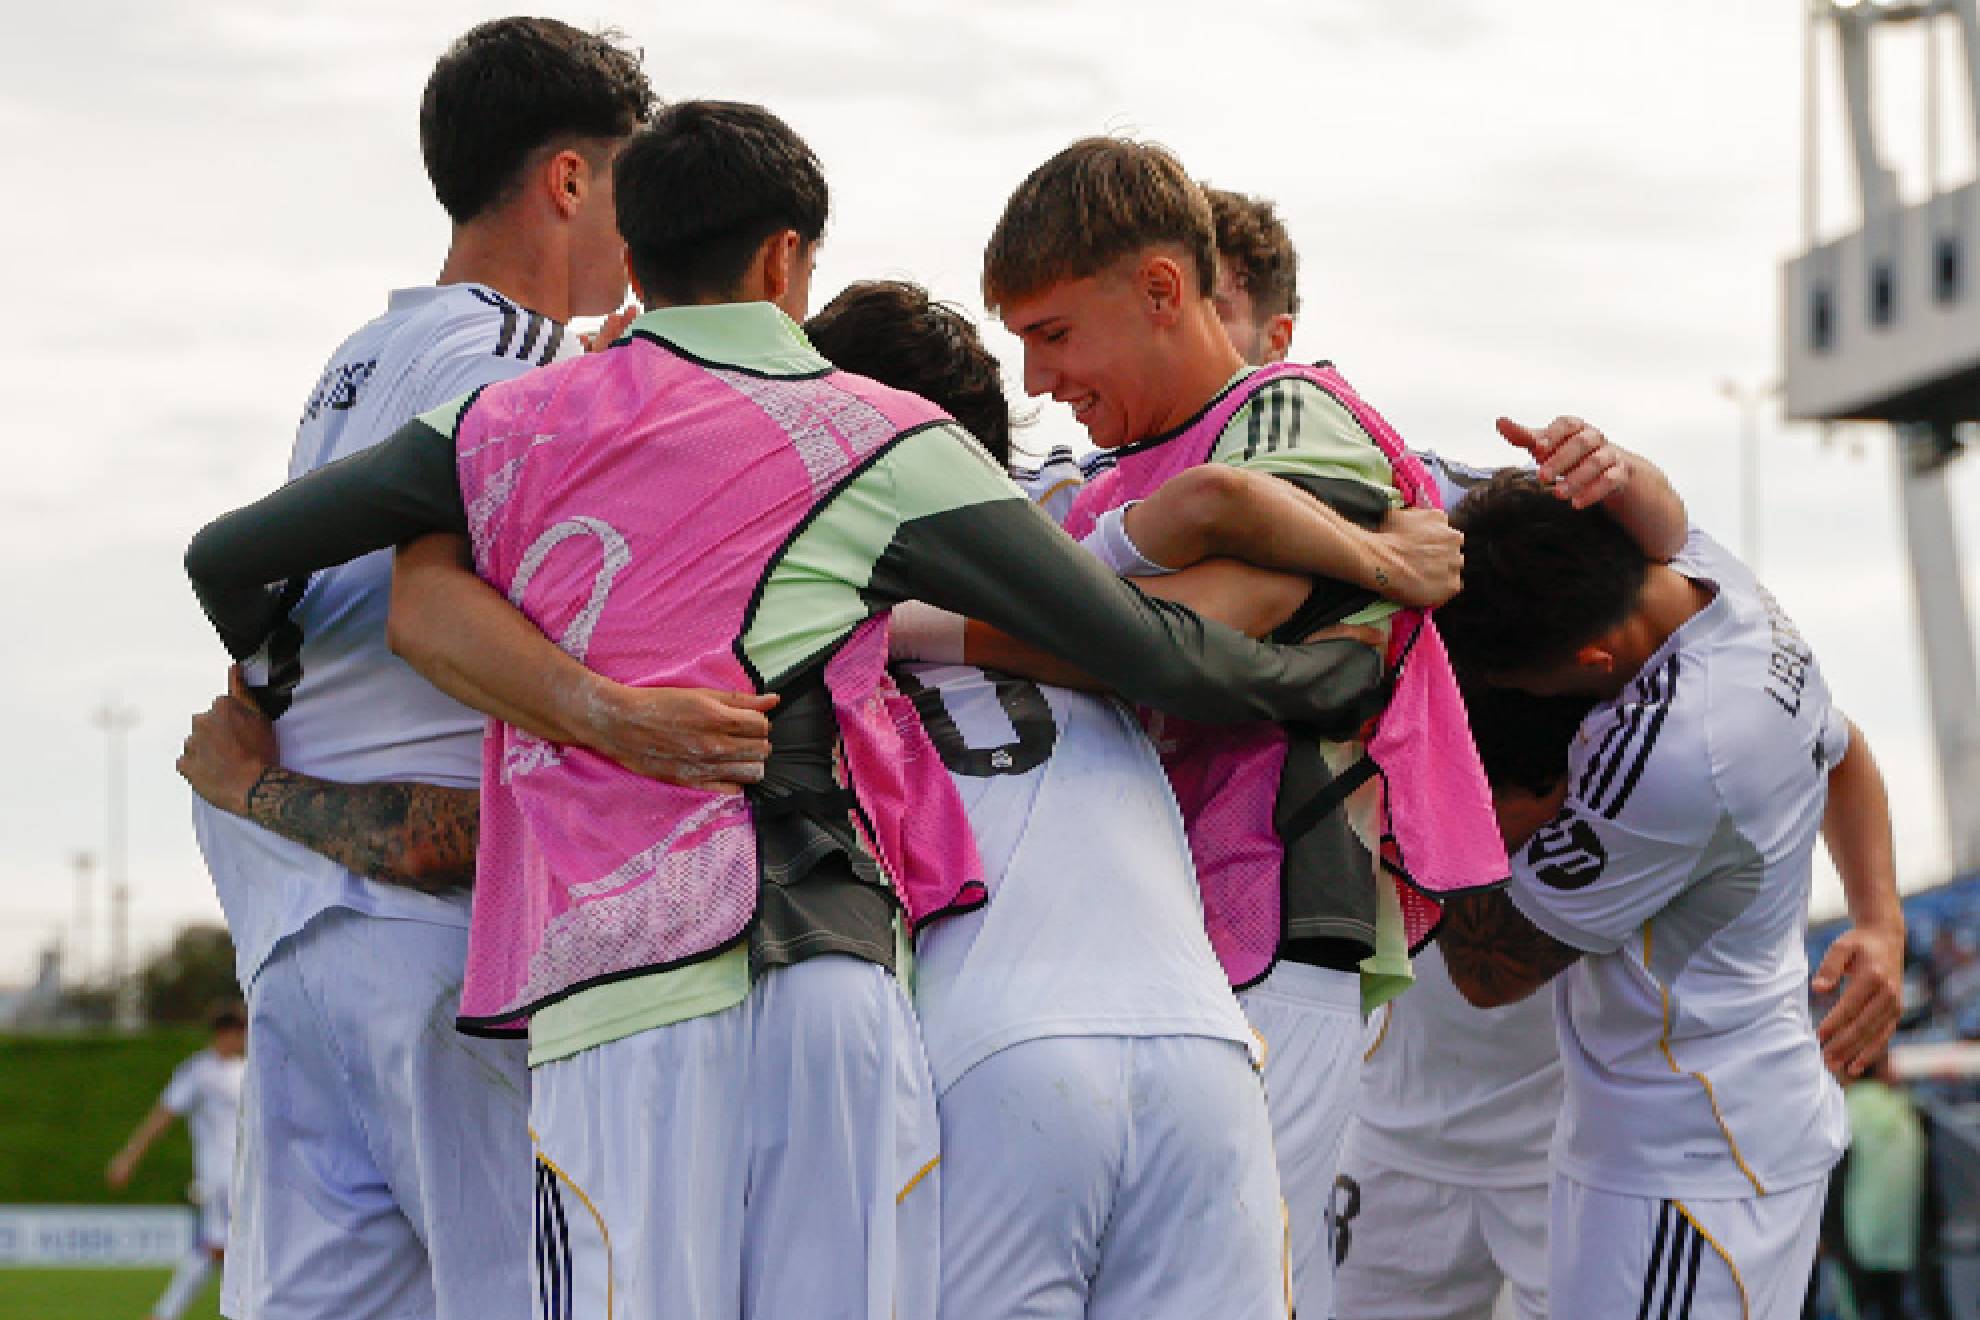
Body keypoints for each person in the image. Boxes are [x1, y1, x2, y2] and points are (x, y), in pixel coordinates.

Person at [185, 102, 1393, 1320]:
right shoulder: (884, 432)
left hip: (623, 984)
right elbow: (1154, 655)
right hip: (838, 979)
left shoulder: (513, 422)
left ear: (637, 257)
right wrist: (1334, 675)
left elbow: (231, 556)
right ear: (783, 260)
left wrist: (270, 666)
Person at [166, 22, 747, 1320]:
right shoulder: (527, 362)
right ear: (569, 181)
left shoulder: (351, 369)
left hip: (299, 949)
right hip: (445, 944)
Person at [980, 135, 1508, 1318]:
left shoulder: (1292, 418)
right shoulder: (1118, 466)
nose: (1036, 378)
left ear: (1163, 290)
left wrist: (957, 627)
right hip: (1155, 944)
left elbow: (1199, 635)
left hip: (1271, 921)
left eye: (1053, 334)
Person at [1433, 472, 1906, 1319]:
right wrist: (1880, 919)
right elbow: (1843, 746)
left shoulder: (1679, 757)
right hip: (1686, 1133)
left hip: (1690, 1164)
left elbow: (1486, 967)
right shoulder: (1704, 576)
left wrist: (1436, 786)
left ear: (1591, 664)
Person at [107, 1003, 246, 1320]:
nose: (244, 1039)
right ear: (225, 1033)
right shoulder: (198, 1071)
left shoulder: (246, 1071)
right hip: (217, 1177)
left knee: (225, 1247)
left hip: (245, 1177)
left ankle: (165, 1314)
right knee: (220, 1247)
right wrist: (128, 1157)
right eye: (240, 1032)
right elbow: (162, 1116)